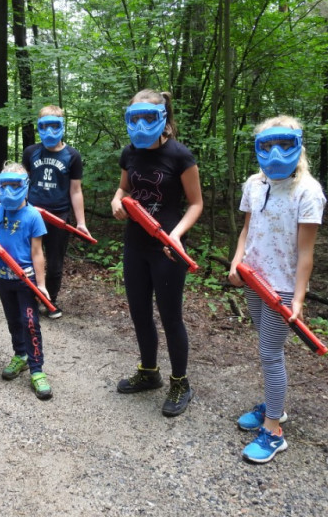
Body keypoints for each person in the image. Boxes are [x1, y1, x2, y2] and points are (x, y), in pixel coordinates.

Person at [228, 115, 325, 463]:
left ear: (298, 146)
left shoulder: (308, 191)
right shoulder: (254, 184)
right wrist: (236, 262)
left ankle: (273, 430)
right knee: (266, 346)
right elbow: (247, 229)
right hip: (253, 279)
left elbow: (306, 252)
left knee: (270, 354)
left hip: (281, 287)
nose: (276, 153)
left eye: (284, 144)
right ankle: (274, 407)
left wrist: (298, 298)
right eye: (268, 145)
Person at [110, 90, 203, 417]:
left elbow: (196, 203)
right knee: (139, 312)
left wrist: (177, 235)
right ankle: (149, 372)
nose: (141, 124)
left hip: (168, 248)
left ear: (162, 117)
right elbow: (124, 188)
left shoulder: (180, 155)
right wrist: (116, 200)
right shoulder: (129, 152)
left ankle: (180, 382)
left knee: (170, 316)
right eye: (135, 118)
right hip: (135, 244)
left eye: (148, 117)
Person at [0, 162, 52, 400]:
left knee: (30, 322)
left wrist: (41, 285)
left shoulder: (33, 215)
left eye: (15, 185)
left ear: (25, 186)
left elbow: (37, 253)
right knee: (13, 321)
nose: (9, 190)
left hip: (25, 280)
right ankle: (20, 355)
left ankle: (37, 369)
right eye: (4, 185)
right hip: (3, 278)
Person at [21, 105, 90, 319]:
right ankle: (30, 298)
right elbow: (23, 183)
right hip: (32, 214)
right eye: (44, 126)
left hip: (59, 216)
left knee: (55, 262)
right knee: (29, 258)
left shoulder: (72, 155)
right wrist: (20, 209)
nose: (49, 131)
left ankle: (50, 300)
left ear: (62, 126)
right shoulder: (31, 152)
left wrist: (81, 222)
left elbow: (76, 190)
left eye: (54, 125)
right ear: (38, 127)